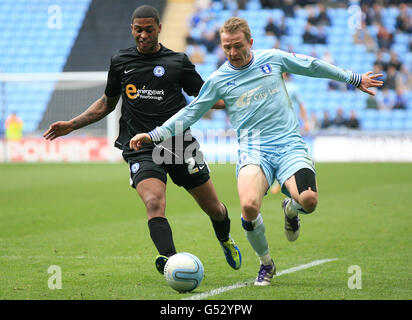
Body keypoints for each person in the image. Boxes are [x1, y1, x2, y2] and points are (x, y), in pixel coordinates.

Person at [129, 17, 383, 286]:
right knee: (249, 206)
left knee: (309, 200)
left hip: (288, 145)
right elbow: (191, 112)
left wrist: (353, 78)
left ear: (250, 41)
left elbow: (311, 65)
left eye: (238, 46)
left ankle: (291, 210)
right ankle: (266, 264)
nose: (233, 53)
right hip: (253, 150)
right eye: (227, 47)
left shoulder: (272, 59)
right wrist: (154, 135)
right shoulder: (218, 79)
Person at [43, 5, 241, 275]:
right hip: (140, 146)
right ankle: (172, 261)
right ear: (132, 30)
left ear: (159, 28)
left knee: (215, 209)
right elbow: (106, 104)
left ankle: (225, 239)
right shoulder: (120, 61)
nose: (144, 35)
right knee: (154, 203)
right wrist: (72, 124)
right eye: (139, 30)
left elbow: (206, 98)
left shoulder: (178, 62)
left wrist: (239, 101)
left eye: (149, 30)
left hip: (178, 144)